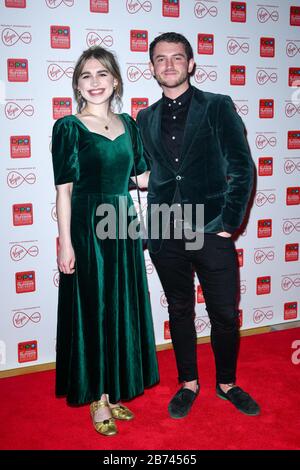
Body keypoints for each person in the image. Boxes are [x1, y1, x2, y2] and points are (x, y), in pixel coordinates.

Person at [136, 32, 260, 418]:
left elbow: (242, 167)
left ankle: (226, 383)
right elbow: (146, 173)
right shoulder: (145, 117)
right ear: (152, 67)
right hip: (165, 231)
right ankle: (188, 382)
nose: (169, 64)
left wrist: (229, 223)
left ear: (191, 64)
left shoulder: (218, 107)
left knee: (224, 312)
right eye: (160, 58)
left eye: (177, 57)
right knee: (179, 309)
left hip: (210, 228)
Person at [51, 46, 159, 436]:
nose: (94, 82)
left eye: (102, 74)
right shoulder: (68, 127)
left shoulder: (130, 125)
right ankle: (96, 398)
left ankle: (111, 393)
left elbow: (141, 178)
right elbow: (64, 191)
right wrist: (65, 242)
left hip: (123, 224)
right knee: (93, 309)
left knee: (119, 306)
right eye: (86, 76)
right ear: (78, 85)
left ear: (115, 81)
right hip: (86, 227)